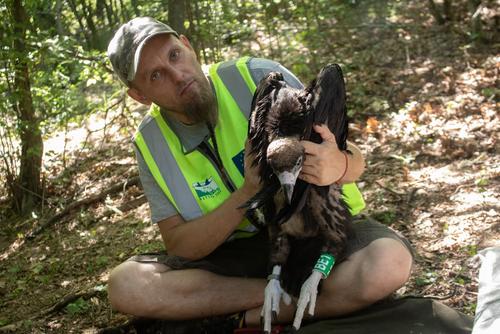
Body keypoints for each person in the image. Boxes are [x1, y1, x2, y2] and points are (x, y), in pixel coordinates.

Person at [106, 17, 414, 332]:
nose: (177, 74)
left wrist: (339, 166)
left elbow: (353, 160)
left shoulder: (255, 77)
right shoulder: (151, 142)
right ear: (139, 95)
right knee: (126, 285)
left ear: (187, 46)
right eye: (156, 75)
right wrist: (247, 191)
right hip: (235, 260)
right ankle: (301, 303)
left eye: (174, 55)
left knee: (389, 262)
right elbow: (180, 246)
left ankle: (248, 316)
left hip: (317, 236)